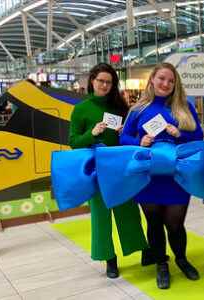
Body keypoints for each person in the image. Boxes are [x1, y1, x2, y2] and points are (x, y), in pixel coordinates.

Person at [120, 62, 203, 290]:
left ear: (175, 84)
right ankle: (161, 264)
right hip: (148, 177)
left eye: (170, 80)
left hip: (177, 176)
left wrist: (180, 134)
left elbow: (198, 135)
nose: (166, 84)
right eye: (162, 79)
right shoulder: (138, 109)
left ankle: (182, 259)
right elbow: (123, 138)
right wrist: (140, 141)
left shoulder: (184, 106)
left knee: (175, 224)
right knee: (154, 222)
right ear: (152, 80)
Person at [68, 63, 148, 279]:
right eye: (101, 81)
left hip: (121, 169)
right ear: (92, 81)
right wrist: (91, 134)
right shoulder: (81, 109)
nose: (104, 85)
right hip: (97, 172)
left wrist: (125, 133)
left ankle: (142, 249)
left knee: (129, 212)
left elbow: (131, 138)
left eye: (108, 82)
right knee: (101, 217)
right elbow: (73, 142)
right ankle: (109, 259)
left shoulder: (120, 108)